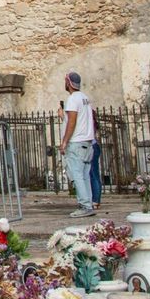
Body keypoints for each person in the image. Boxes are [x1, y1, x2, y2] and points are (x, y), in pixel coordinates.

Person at [58, 71, 97, 217]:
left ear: (68, 82)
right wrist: (64, 117)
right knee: (85, 175)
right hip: (87, 140)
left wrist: (64, 142)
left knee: (77, 175)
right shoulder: (85, 98)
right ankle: (89, 203)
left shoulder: (73, 99)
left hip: (76, 141)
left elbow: (73, 122)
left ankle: (84, 205)